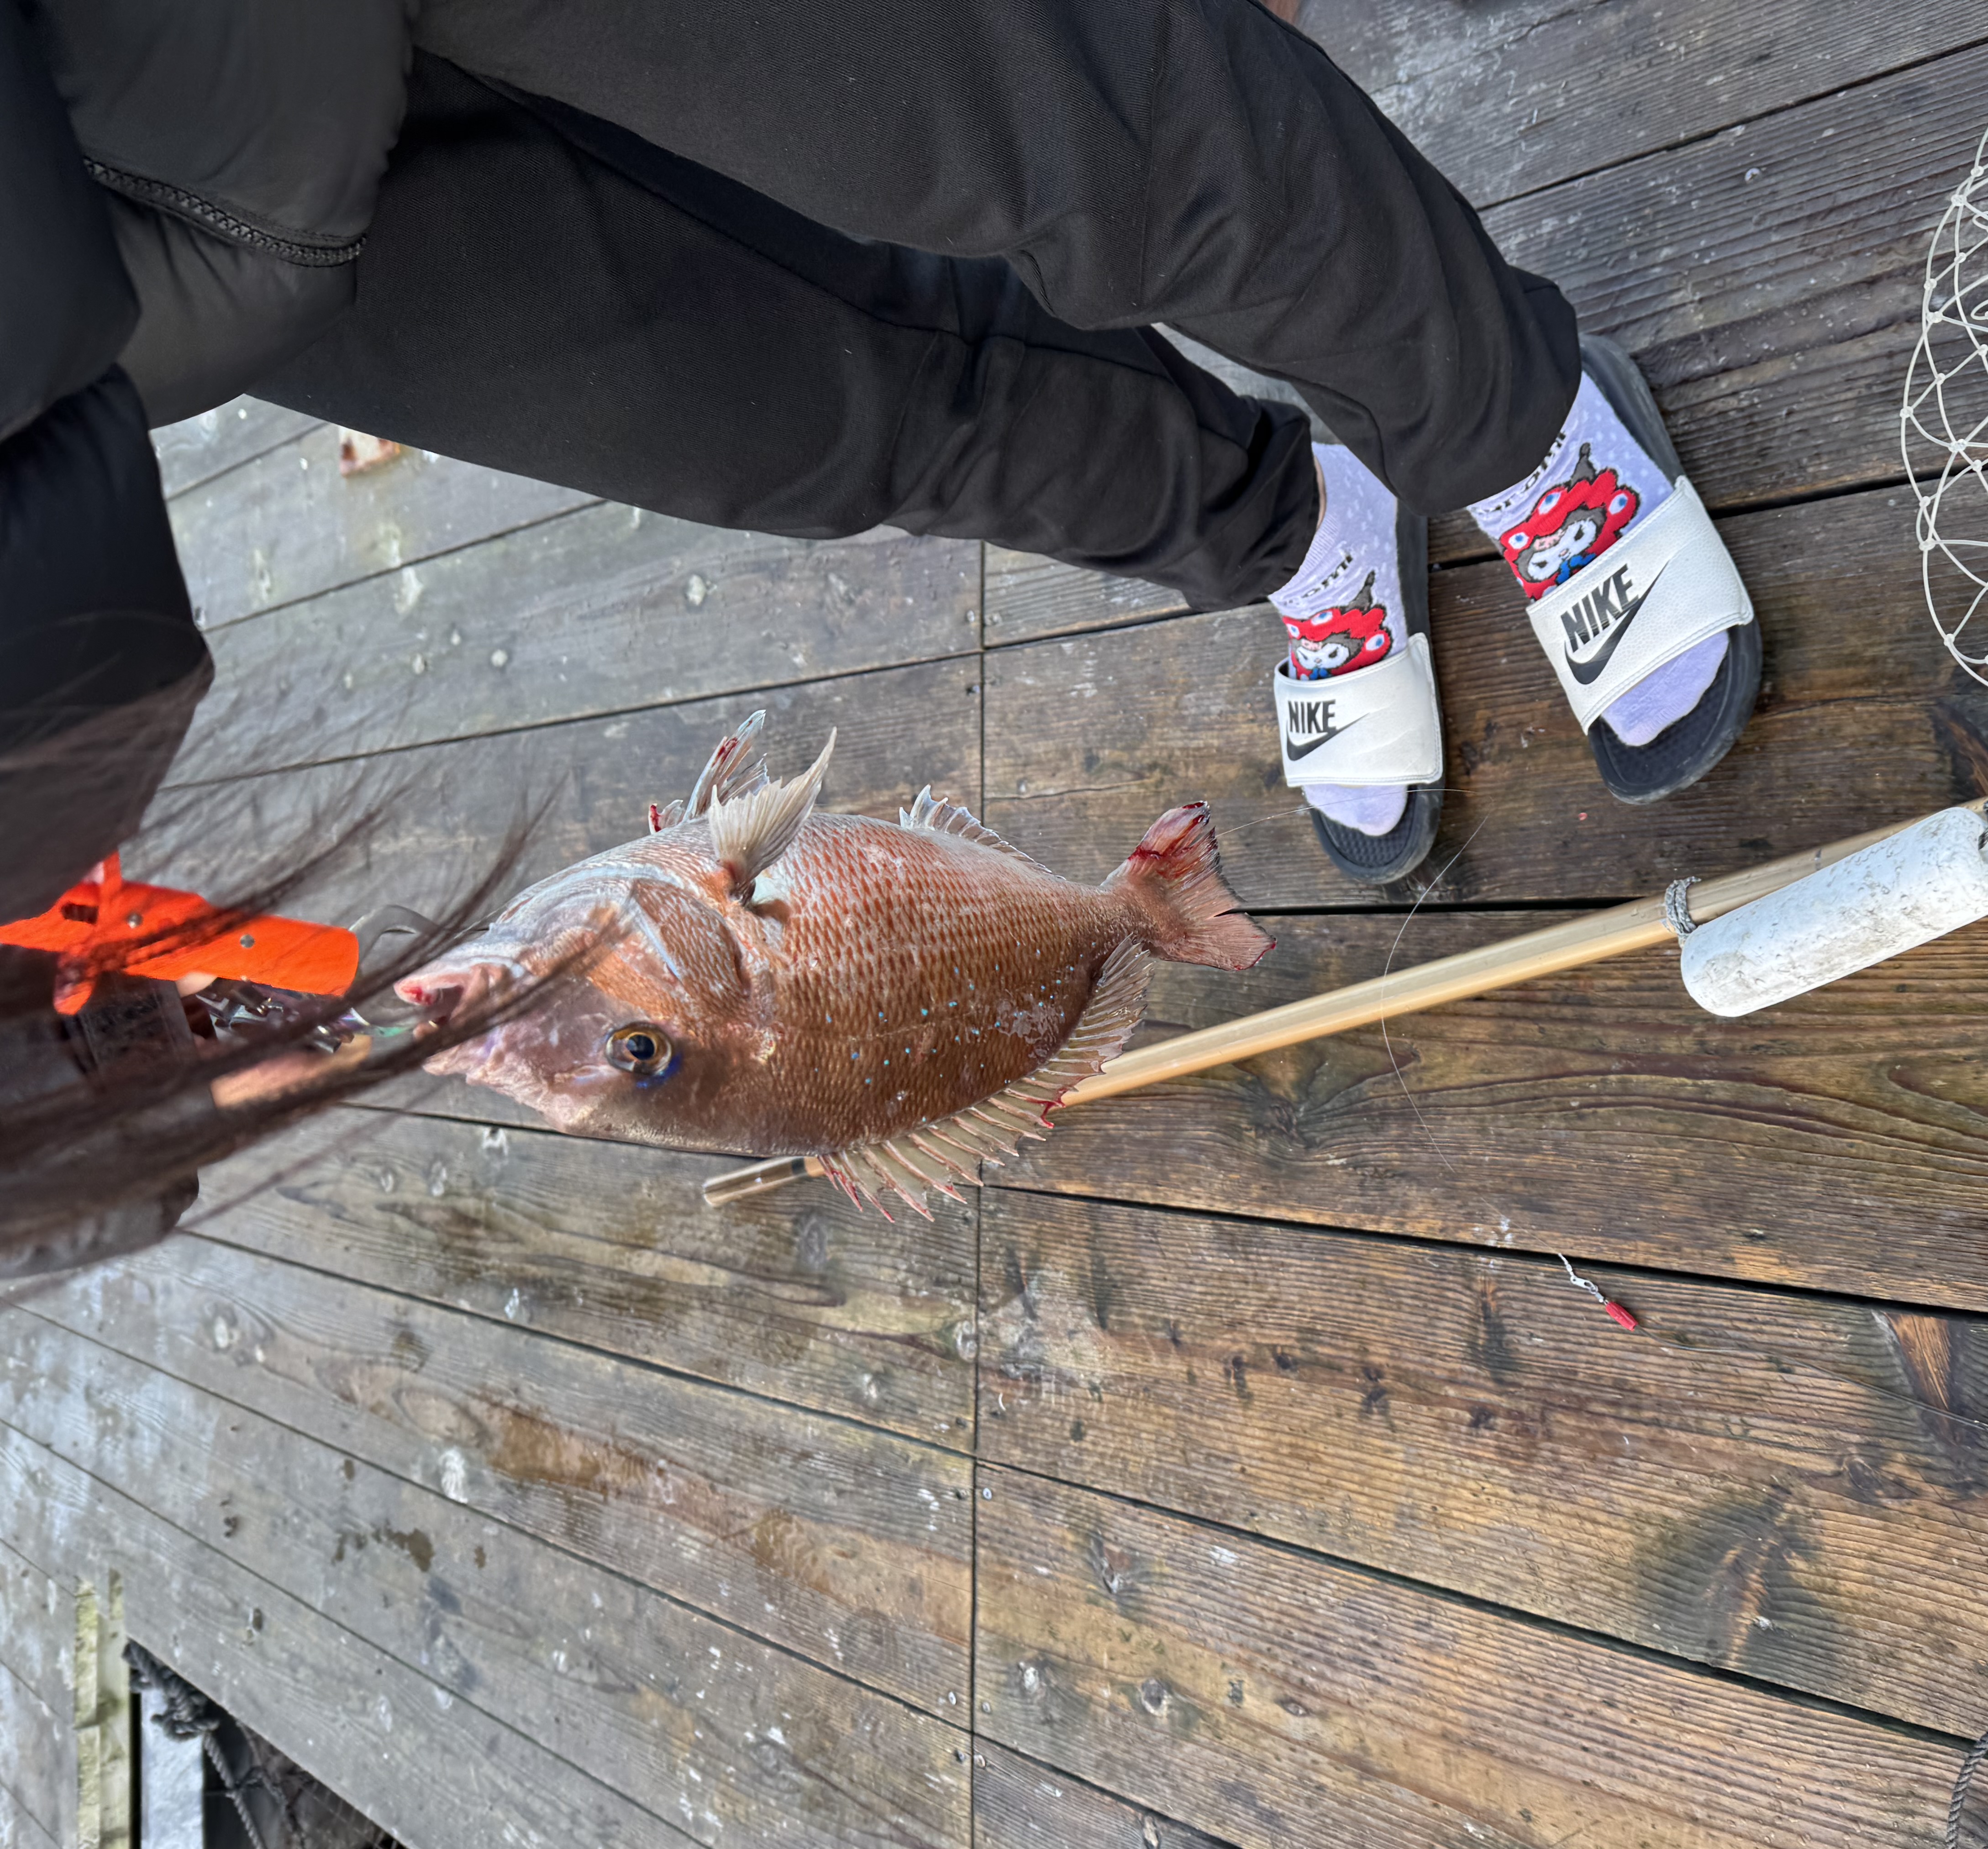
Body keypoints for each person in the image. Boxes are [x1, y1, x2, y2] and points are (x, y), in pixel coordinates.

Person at [0, 0, 1761, 1266]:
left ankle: (1522, 431)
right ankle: (1299, 519)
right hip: (123, 227)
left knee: (997, 87)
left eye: (641, 1055)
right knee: (774, 414)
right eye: (633, 1058)